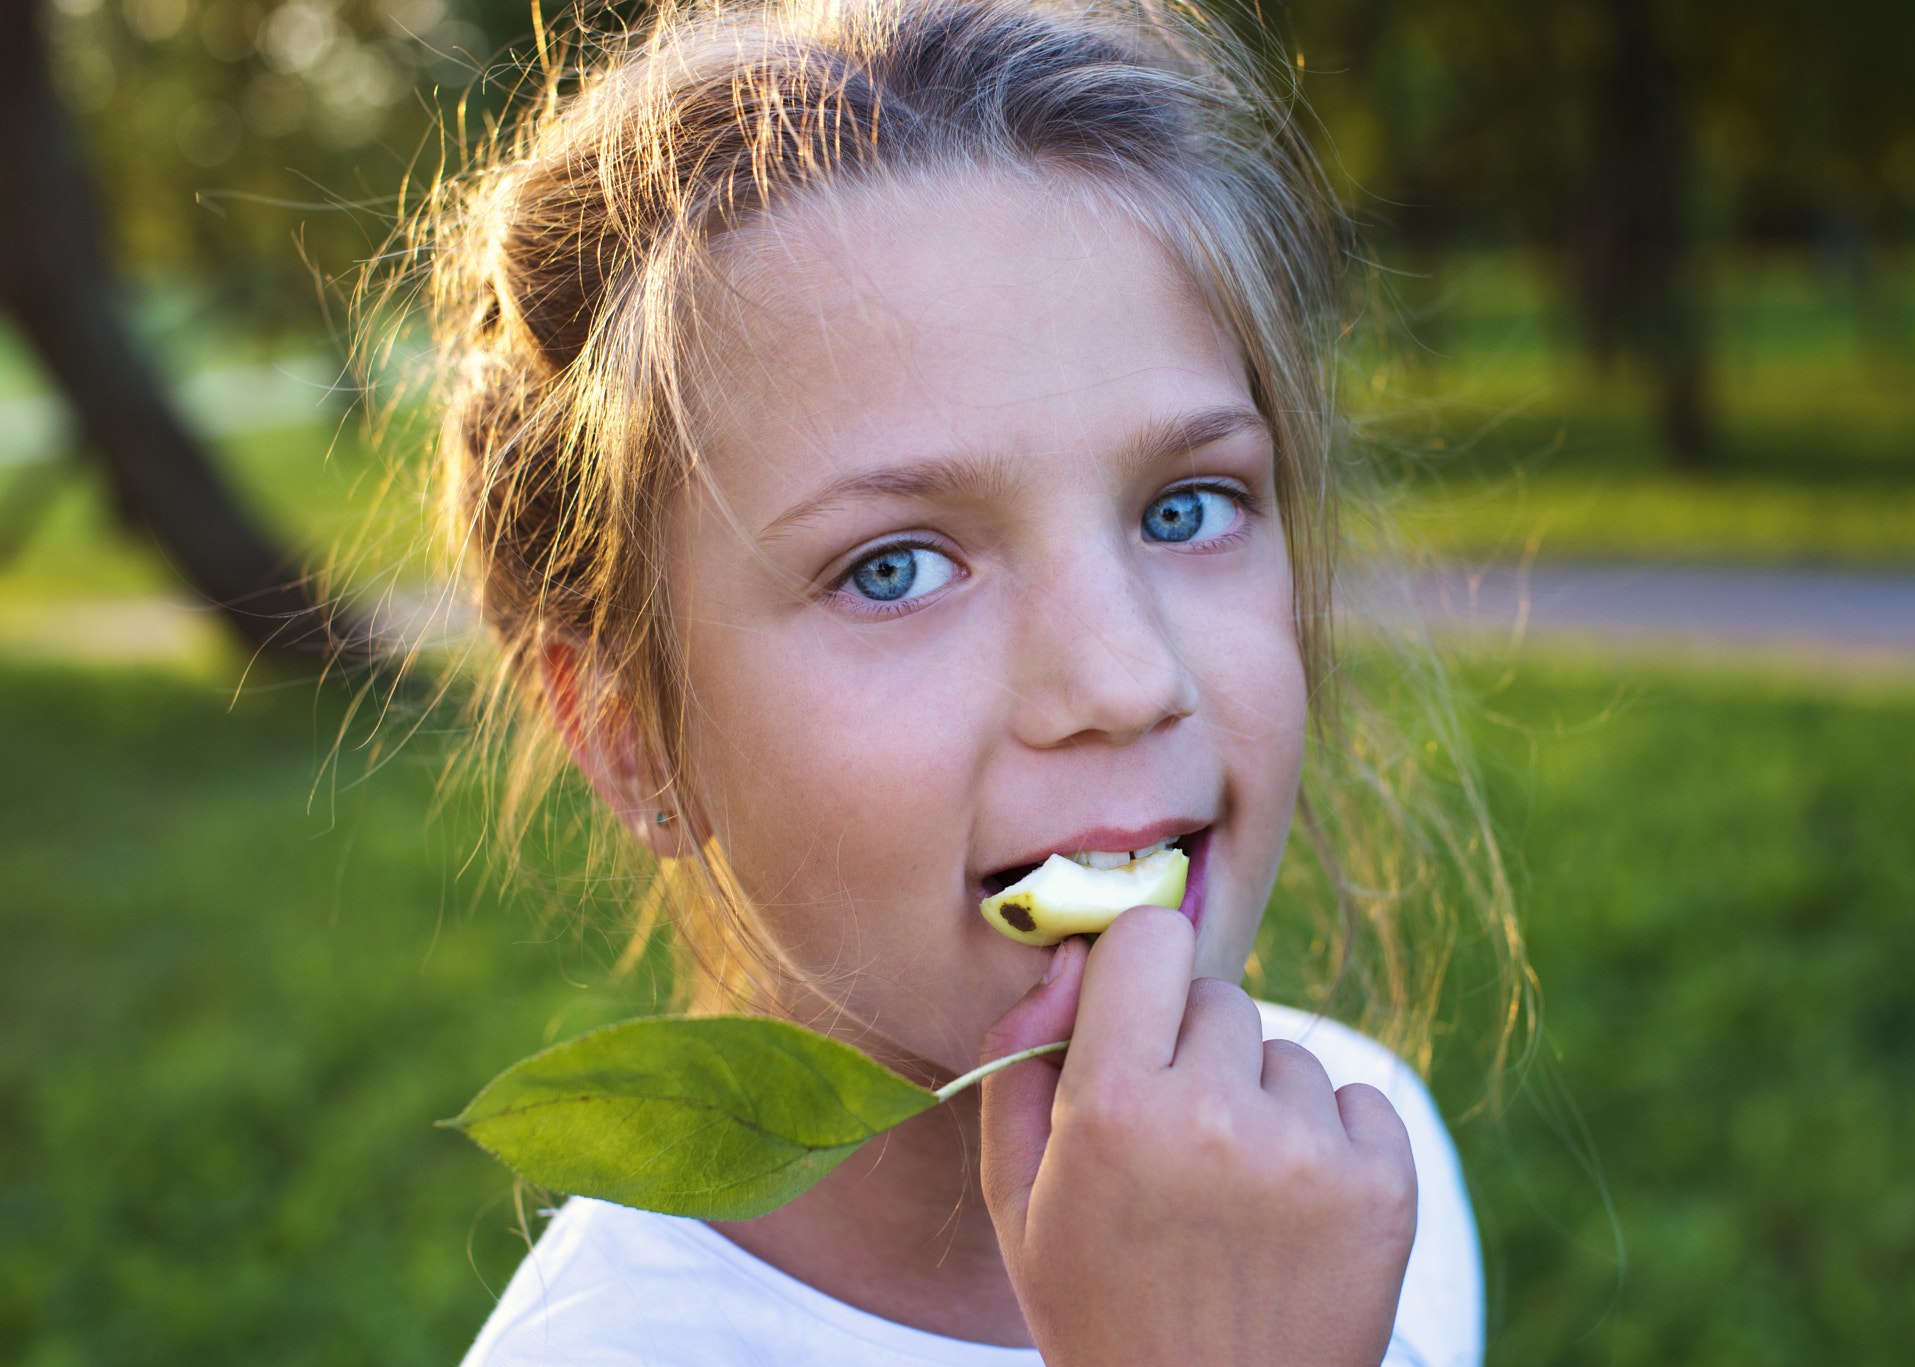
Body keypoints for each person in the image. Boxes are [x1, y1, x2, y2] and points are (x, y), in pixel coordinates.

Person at [414, 0, 1523, 1361]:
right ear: (631, 732)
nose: (1125, 679)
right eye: (894, 569)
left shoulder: (1349, 1157)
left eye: (1186, 508)